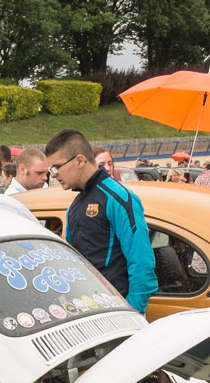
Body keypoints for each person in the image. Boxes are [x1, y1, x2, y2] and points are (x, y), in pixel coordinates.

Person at [45, 129, 156, 311]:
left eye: (56, 167)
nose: (53, 175)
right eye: (51, 169)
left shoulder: (119, 197)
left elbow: (142, 263)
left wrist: (133, 313)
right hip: (89, 310)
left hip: (119, 313)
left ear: (80, 160)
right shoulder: (75, 206)